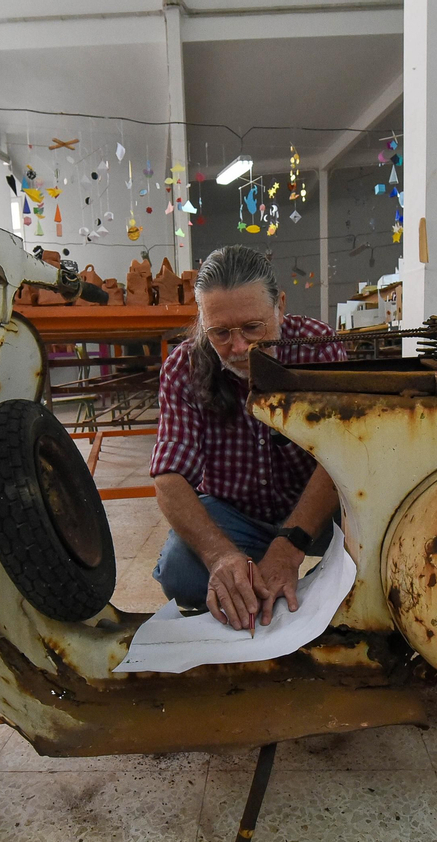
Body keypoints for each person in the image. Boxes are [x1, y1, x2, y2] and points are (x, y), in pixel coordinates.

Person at [150, 245, 347, 631]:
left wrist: (290, 545)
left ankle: (299, 581)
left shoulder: (315, 347)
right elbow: (169, 479)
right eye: (220, 332)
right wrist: (220, 556)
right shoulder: (184, 366)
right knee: (183, 576)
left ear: (281, 306)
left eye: (254, 328)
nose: (239, 348)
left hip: (317, 505)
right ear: (202, 320)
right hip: (237, 512)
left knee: (379, 557)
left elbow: (338, 455)